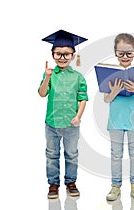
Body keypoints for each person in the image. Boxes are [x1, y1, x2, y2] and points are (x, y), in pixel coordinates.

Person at [38, 29, 88, 199]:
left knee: (71, 154)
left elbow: (82, 99)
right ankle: (53, 184)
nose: (62, 57)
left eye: (67, 54)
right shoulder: (50, 75)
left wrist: (78, 116)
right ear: (53, 55)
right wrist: (46, 77)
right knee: (52, 154)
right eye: (58, 54)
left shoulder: (79, 77)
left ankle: (71, 182)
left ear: (73, 56)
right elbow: (42, 93)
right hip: (51, 123)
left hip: (71, 124)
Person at [104, 33, 134, 203]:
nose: (125, 57)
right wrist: (113, 92)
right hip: (115, 120)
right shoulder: (110, 75)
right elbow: (106, 99)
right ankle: (115, 186)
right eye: (121, 53)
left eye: (129, 53)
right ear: (115, 53)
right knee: (116, 154)